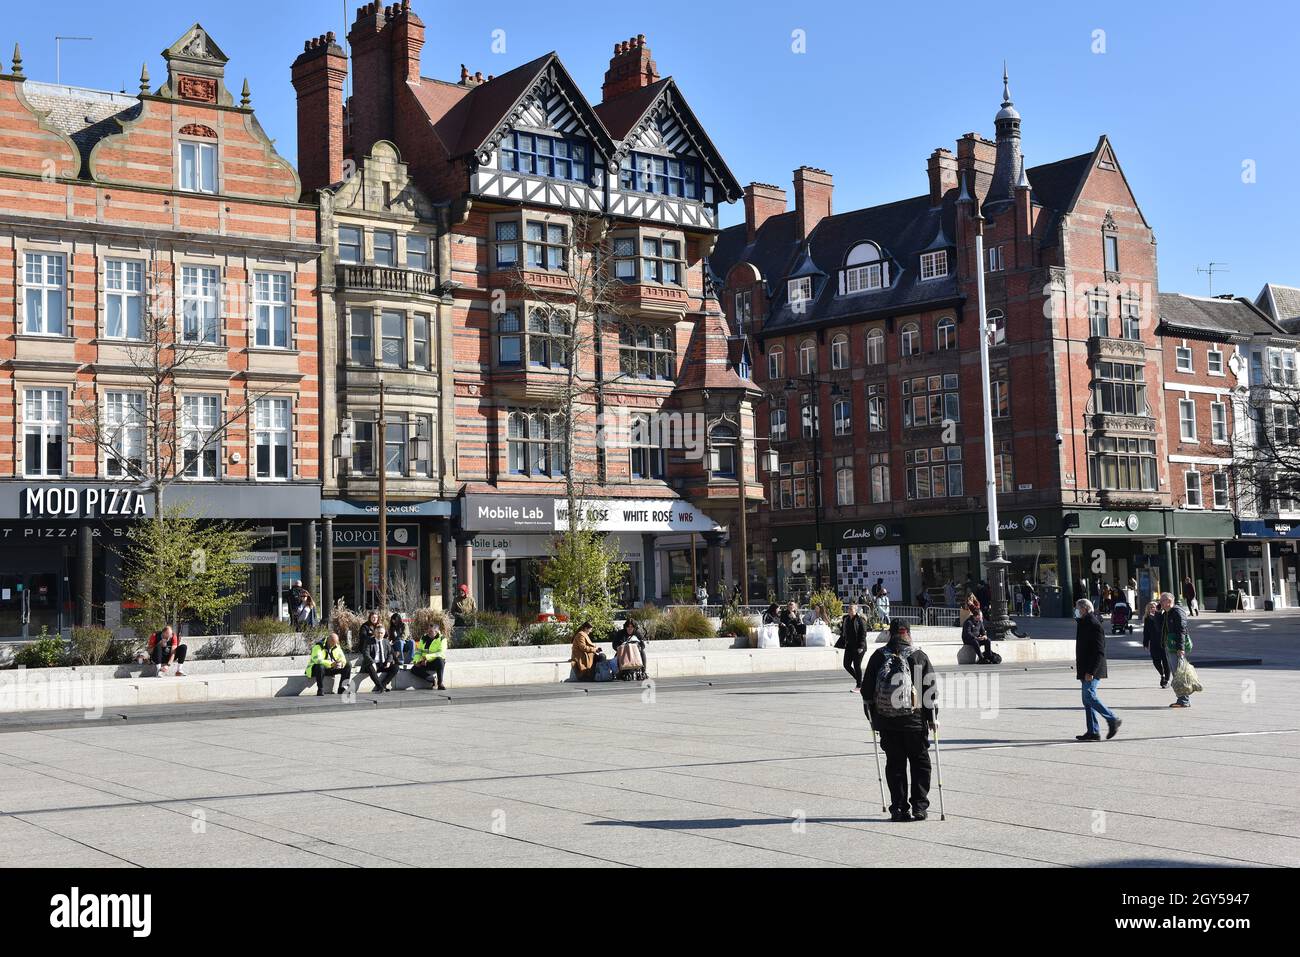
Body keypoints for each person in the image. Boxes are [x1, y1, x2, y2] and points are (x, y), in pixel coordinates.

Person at [862, 621, 937, 822]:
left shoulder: (878, 657)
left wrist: (873, 720)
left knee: (895, 764)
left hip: (887, 721)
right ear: (908, 634)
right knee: (920, 763)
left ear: (890, 634)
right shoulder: (918, 656)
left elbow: (867, 691)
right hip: (914, 721)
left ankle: (898, 808)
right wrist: (932, 717)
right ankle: (919, 807)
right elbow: (928, 690)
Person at [1074, 599, 1120, 741]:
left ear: (1085, 609)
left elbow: (1099, 651)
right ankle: (1093, 731)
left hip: (1092, 669)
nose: (1076, 611)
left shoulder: (1094, 624)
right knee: (1087, 700)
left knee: (1089, 696)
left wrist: (1091, 671)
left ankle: (1112, 719)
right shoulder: (1083, 623)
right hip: (1085, 668)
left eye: (1077, 608)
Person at [1160, 591, 1193, 707]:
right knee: (1176, 673)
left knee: (1179, 674)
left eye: (1162, 601)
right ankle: (1182, 699)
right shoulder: (1167, 613)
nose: (1160, 603)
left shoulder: (1177, 612)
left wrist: (1180, 648)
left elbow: (1181, 631)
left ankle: (1184, 700)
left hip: (1176, 648)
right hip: (1170, 646)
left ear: (1169, 601)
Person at [362, 623, 400, 693]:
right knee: (369, 667)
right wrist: (372, 662)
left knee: (396, 667)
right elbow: (366, 654)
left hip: (383, 664)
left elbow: (390, 653)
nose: (380, 635)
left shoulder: (386, 641)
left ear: (384, 633)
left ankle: (383, 684)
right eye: (378, 633)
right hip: (373, 664)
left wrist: (388, 661)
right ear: (375, 633)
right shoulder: (369, 641)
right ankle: (380, 687)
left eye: (381, 633)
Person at [839, 602, 869, 691]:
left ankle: (859, 686)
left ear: (856, 610)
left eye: (851, 609)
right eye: (849, 609)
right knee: (846, 664)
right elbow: (844, 630)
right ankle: (861, 681)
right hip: (849, 645)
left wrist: (861, 646)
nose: (849, 610)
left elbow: (863, 633)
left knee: (857, 665)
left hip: (859, 646)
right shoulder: (846, 619)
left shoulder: (860, 620)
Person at [1141, 600, 1169, 688]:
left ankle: (1166, 680)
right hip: (1153, 642)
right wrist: (1145, 643)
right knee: (1156, 661)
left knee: (1165, 661)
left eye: (1155, 607)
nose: (1153, 609)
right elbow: (1146, 632)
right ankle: (1162, 674)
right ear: (1148, 609)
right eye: (1151, 607)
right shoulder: (1147, 618)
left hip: (1163, 642)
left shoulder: (1162, 616)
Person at [411, 624, 447, 690]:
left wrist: (427, 658)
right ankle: (432, 680)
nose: (429, 632)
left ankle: (440, 683)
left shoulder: (442, 639)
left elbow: (441, 653)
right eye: (428, 630)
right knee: (414, 669)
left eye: (431, 631)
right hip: (424, 662)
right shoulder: (424, 638)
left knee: (440, 661)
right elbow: (419, 651)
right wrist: (416, 661)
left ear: (436, 631)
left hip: (435, 662)